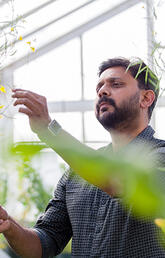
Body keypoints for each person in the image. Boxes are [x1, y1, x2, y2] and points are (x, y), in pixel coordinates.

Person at [0, 57, 165, 258]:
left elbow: (115, 180)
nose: (103, 91)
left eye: (116, 84)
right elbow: (43, 245)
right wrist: (9, 226)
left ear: (146, 98)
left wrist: (49, 129)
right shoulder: (75, 174)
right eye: (99, 88)